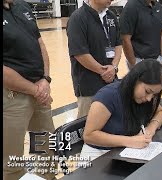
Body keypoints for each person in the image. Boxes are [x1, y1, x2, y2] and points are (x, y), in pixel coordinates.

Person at [3, 0, 56, 179]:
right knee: (11, 163)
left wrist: (45, 79)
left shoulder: (22, 6)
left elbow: (40, 43)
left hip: (39, 91)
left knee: (47, 154)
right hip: (12, 97)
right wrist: (35, 90)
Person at [80, 60, 162, 160]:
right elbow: (89, 135)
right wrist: (129, 141)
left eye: (154, 95)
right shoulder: (108, 96)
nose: (149, 98)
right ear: (135, 80)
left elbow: (160, 112)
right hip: (98, 155)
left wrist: (151, 128)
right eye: (147, 91)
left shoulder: (145, 98)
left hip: (124, 152)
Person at [67, 0, 122, 118]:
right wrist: (103, 71)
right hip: (88, 84)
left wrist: (114, 67)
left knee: (110, 121)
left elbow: (118, 44)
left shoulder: (111, 16)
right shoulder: (77, 18)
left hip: (111, 80)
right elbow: (80, 53)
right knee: (87, 125)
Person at [120, 0, 162, 70]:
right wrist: (134, 63)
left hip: (157, 60)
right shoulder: (131, 6)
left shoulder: (157, 6)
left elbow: (161, 32)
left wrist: (161, 56)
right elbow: (125, 39)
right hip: (140, 61)